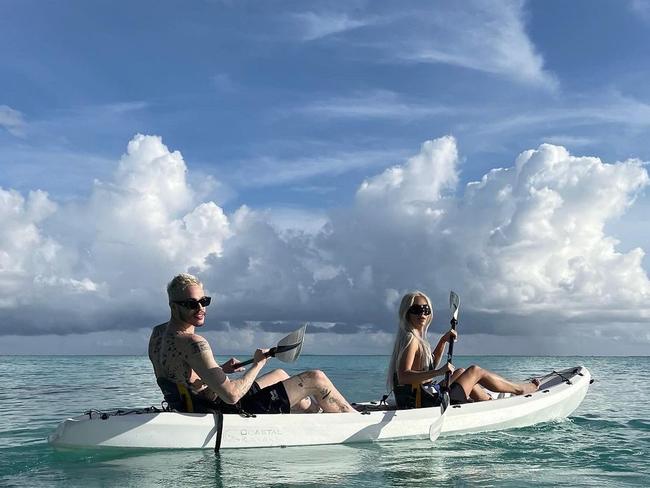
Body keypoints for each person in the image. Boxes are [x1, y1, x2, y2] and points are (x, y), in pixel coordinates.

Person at [149, 273, 355, 414]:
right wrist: (257, 364)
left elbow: (185, 380)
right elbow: (231, 396)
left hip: (194, 404)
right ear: (173, 307)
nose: (201, 308)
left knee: (281, 376)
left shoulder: (158, 334)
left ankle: (312, 415)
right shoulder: (194, 342)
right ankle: (351, 418)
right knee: (315, 378)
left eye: (204, 301)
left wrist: (220, 370)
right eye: (192, 304)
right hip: (226, 409)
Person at [387, 291, 539, 408]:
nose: (422, 314)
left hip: (422, 396)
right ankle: (519, 390)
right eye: (416, 309)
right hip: (423, 403)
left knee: (460, 372)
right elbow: (404, 376)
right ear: (406, 313)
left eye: (425, 309)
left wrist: (443, 341)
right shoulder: (411, 339)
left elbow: (428, 366)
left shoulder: (413, 337)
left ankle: (488, 403)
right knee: (475, 371)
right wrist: (439, 372)